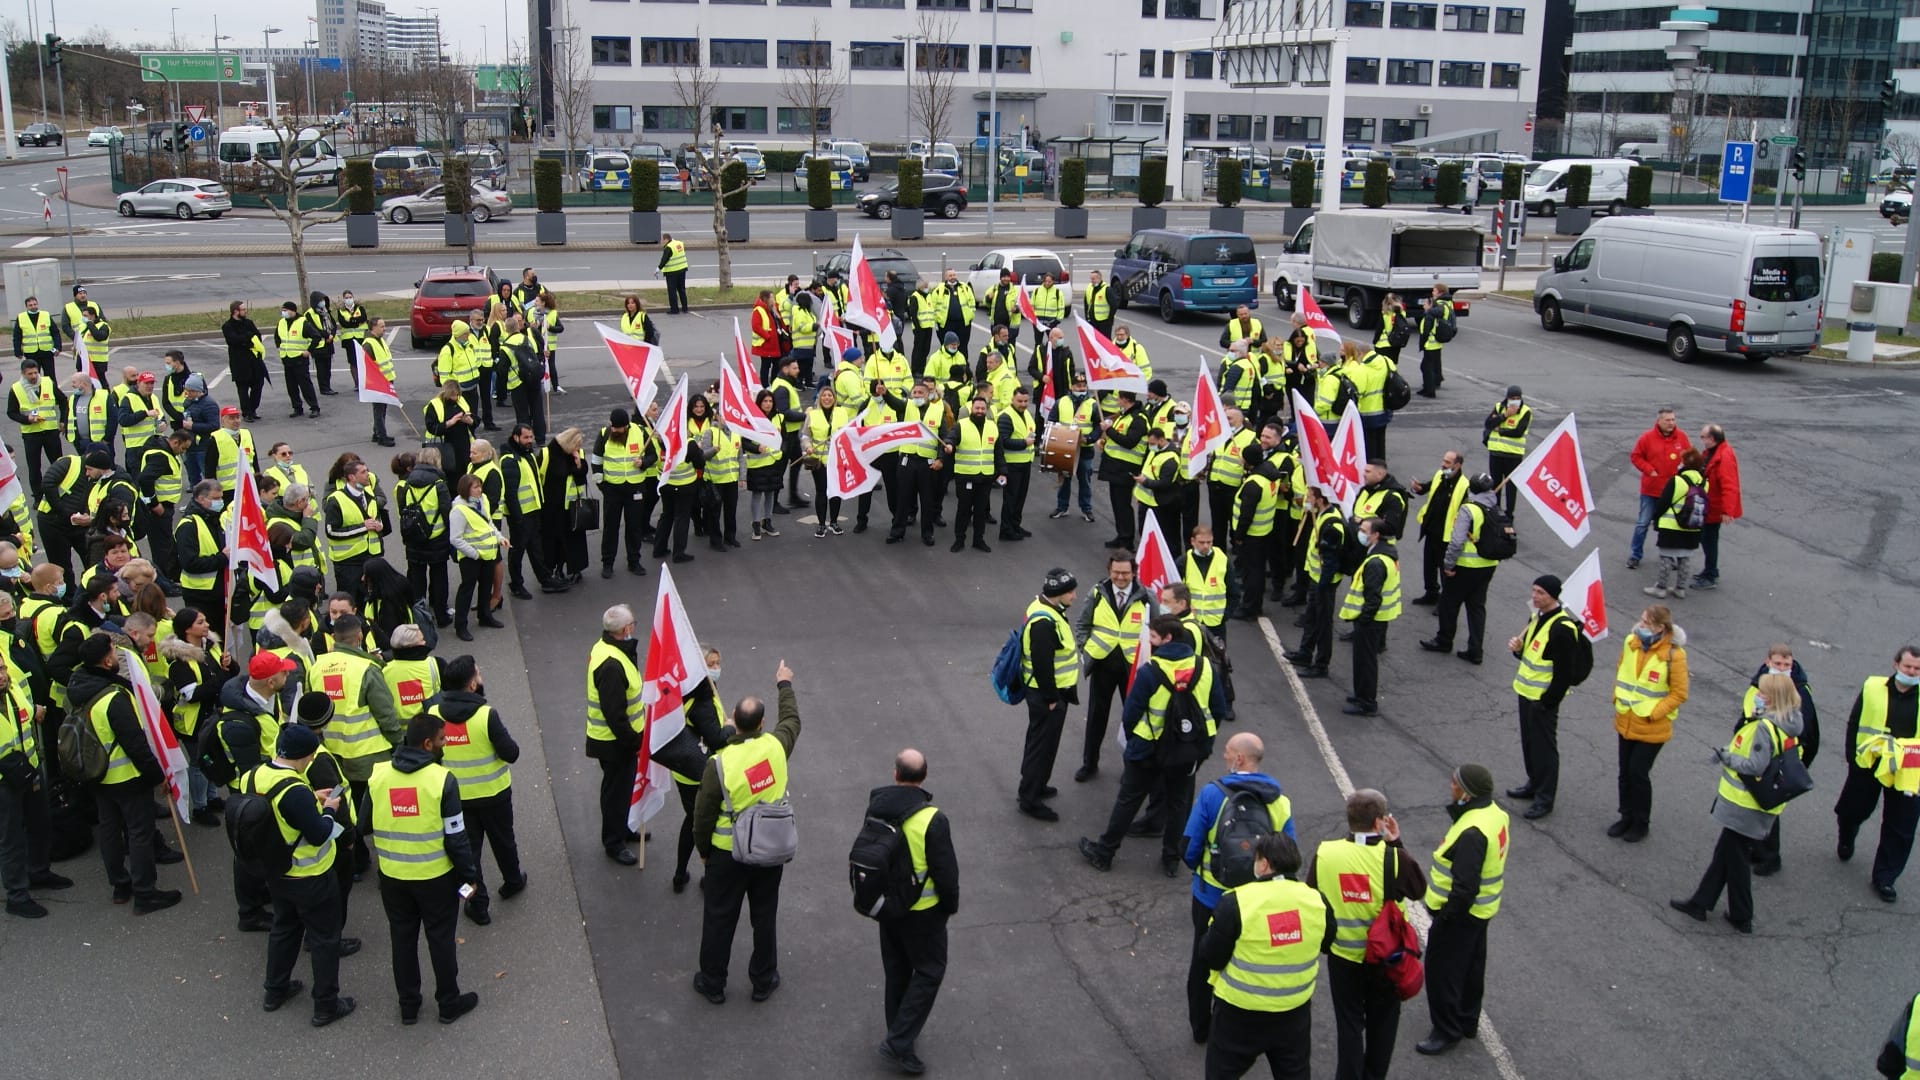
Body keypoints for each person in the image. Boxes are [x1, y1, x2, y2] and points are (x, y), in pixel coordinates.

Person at [1079, 614, 1224, 876]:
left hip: (1148, 749)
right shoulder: (1205, 668)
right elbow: (1218, 709)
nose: (1149, 641)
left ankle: (1105, 852)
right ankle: (1171, 859)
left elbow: (1130, 713)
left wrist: (1136, 741)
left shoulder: (1150, 671)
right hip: (1187, 751)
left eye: (1153, 637)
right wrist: (1201, 744)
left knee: (1128, 800)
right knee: (1179, 803)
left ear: (1167, 639)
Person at [692, 659, 801, 1004]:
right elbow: (792, 722)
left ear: (733, 724)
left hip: (727, 854)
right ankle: (763, 979)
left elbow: (703, 814)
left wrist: (704, 850)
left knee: (719, 919)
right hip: (769, 850)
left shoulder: (719, 764)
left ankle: (713, 982)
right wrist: (784, 684)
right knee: (764, 916)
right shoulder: (776, 747)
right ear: (761, 724)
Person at [365, 712, 483, 1025]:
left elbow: (362, 823)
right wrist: (469, 876)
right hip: (435, 878)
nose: (446, 744)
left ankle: (408, 1005)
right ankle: (448, 1003)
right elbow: (457, 838)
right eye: (443, 739)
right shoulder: (442, 780)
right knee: (440, 940)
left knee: (402, 940)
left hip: (392, 877)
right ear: (428, 744)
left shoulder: (378, 775)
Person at [1181, 733, 1296, 1043]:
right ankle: (1236, 1025)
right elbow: (1290, 854)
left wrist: (1199, 873)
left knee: (1203, 958)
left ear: (1240, 759)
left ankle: (1201, 1027)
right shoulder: (1280, 802)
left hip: (1211, 895)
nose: (1224, 757)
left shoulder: (1211, 794)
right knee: (1246, 958)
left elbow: (1190, 845)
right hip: (1257, 899)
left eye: (1228, 752)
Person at [1671, 673, 1804, 934]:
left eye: (1763, 693)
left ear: (1773, 698)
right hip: (1760, 805)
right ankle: (1701, 902)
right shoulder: (1789, 723)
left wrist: (1728, 758)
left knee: (1736, 857)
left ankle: (1742, 915)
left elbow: (1755, 765)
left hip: (1745, 804)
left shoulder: (1765, 727)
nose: (1758, 695)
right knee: (1726, 852)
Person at [1309, 788, 1428, 1080]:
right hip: (1385, 958)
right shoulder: (1394, 858)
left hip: (1342, 956)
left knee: (1349, 1025)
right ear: (1380, 823)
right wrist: (1396, 842)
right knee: (1383, 1023)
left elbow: (1312, 895)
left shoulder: (1326, 853)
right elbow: (1417, 889)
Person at [242, 723, 356, 1026]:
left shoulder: (252, 776)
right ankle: (326, 1005)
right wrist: (329, 807)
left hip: (276, 871)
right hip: (310, 875)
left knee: (284, 928)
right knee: (324, 940)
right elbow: (319, 834)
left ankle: (275, 990)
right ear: (303, 756)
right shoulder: (295, 790)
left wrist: (310, 799)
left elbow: (280, 814)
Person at [1196, 833, 1330, 1080]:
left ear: (1264, 864)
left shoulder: (1236, 902)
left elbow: (1211, 955)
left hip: (1239, 1014)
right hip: (1294, 1012)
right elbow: (1326, 941)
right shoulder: (1317, 900)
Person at [70, 634, 182, 913]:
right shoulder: (114, 697)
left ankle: (120, 886)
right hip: (126, 777)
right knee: (139, 833)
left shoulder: (79, 688)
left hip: (98, 776)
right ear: (107, 660)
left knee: (109, 830)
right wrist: (158, 777)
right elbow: (136, 745)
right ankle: (145, 893)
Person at [866, 748, 960, 1076]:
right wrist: (949, 907)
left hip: (888, 909)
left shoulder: (876, 808)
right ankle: (900, 1040)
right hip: (923, 914)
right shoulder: (933, 819)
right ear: (923, 779)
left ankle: (899, 1038)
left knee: (897, 972)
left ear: (895, 775)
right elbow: (946, 874)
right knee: (931, 971)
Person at [1416, 763, 1508, 1057]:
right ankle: (1468, 1020)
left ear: (1467, 794)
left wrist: (1446, 917)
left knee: (1443, 972)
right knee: (1471, 967)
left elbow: (1465, 886)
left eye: (1455, 784)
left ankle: (1446, 1030)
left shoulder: (1471, 832)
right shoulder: (1494, 814)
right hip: (1482, 911)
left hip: (1460, 916)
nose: (1450, 786)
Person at [435, 655, 526, 925]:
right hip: (494, 794)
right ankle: (512, 881)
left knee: (468, 854)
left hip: (455, 799)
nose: (480, 675)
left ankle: (478, 904)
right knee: (503, 841)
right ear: (472, 685)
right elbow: (511, 753)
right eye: (478, 673)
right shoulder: (486, 715)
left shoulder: (433, 715)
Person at [1835, 644, 1920, 903]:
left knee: (1901, 827)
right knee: (1851, 810)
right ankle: (1847, 834)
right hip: (1869, 763)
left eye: (1917, 669)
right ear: (1896, 665)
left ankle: (1885, 878)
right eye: (1908, 667)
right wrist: (1853, 759)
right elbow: (1855, 721)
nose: (1912, 672)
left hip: (1907, 770)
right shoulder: (1873, 687)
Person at [1506, 575, 1584, 821]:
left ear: (1553, 596)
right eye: (1533, 591)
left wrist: (1548, 702)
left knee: (1544, 749)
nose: (1535, 596)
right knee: (1529, 744)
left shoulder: (1562, 628)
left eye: (1540, 592)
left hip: (1542, 699)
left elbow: (1564, 673)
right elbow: (1532, 655)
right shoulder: (1536, 617)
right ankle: (1533, 783)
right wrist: (1519, 650)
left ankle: (1544, 798)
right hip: (1526, 692)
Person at [1610, 605, 1689, 842]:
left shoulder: (1674, 655)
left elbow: (1679, 693)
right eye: (1641, 620)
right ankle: (1626, 816)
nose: (1640, 625)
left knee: (1638, 773)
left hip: (1651, 725)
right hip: (1626, 717)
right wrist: (1617, 697)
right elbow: (1622, 669)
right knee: (1625, 773)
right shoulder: (1631, 642)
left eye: (1646, 622)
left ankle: (1640, 822)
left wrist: (1655, 713)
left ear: (1660, 627)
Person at [1073, 553, 1153, 784]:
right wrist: (1086, 649)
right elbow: (1082, 624)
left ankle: (1132, 767)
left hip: (1134, 669)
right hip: (1103, 665)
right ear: (1109, 571)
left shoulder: (1146, 597)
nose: (1120, 577)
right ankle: (1089, 763)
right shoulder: (1097, 593)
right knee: (1097, 716)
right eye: (1116, 572)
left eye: (1125, 573)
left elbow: (1156, 630)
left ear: (1134, 573)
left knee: (1133, 719)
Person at [0, 658, 70, 918]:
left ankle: (39, 872)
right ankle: (17, 895)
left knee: (41, 823)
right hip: (4, 783)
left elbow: (27, 714)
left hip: (28, 768)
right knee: (11, 840)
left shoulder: (13, 688)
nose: (2, 675)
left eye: (2, 668)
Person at [1017, 569, 1081, 821]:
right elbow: (1043, 665)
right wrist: (1051, 698)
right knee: (1041, 747)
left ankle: (1036, 785)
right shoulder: (1044, 623)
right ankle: (1030, 799)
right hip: (1047, 696)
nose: (1074, 596)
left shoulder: (1044, 608)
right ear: (1058, 594)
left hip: (1049, 694)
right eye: (1070, 592)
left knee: (1042, 744)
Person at [1418, 472, 1500, 665]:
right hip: (1487, 565)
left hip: (1465, 566)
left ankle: (1444, 640)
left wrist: (1448, 565)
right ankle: (1475, 650)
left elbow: (1456, 542)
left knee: (1448, 604)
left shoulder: (1469, 509)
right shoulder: (1495, 508)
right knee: (1476, 608)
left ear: (1471, 489)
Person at [586, 605, 646, 866]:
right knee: (616, 792)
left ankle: (623, 828)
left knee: (621, 789)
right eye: (633, 623)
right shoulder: (611, 665)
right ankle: (614, 841)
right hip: (615, 742)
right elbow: (615, 715)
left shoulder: (607, 648)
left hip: (614, 740)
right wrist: (634, 742)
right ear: (626, 629)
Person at [1339, 516, 1401, 716]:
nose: (1361, 533)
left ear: (1376, 535)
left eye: (1365, 531)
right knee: (1363, 660)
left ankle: (1366, 702)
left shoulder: (1376, 562)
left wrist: (1363, 619)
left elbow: (1372, 598)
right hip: (1375, 619)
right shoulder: (1383, 553)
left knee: (1365, 662)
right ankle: (1361, 695)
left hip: (1370, 621)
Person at [1285, 488, 1347, 679]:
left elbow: (1330, 561)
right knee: (1311, 618)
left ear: (1320, 500)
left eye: (1310, 496)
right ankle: (1305, 653)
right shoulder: (1322, 515)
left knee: (1322, 623)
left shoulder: (1331, 524)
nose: (1306, 499)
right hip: (1316, 578)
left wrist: (1323, 584)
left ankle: (1321, 664)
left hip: (1324, 582)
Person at [1626, 407, 1692, 570]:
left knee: (1671, 527)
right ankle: (1635, 555)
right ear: (1659, 421)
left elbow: (1689, 457)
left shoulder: (1681, 437)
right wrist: (1649, 470)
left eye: (1673, 420)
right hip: (1651, 490)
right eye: (1667, 420)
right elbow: (1636, 456)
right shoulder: (1647, 438)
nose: (1671, 423)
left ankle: (1672, 557)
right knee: (1643, 524)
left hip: (1673, 493)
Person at [593, 408, 653, 578]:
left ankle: (634, 562)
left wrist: (643, 462)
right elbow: (596, 462)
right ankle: (608, 563)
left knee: (634, 527)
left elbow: (652, 456)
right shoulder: (604, 434)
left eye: (619, 428)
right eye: (614, 427)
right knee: (610, 528)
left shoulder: (640, 432)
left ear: (626, 426)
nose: (615, 431)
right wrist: (602, 486)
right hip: (612, 490)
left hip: (635, 488)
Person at [398, 447, 453, 627]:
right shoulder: (439, 484)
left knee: (417, 579)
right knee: (439, 577)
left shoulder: (407, 484)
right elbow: (447, 513)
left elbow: (403, 511)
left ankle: (419, 617)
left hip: (414, 538)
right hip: (436, 538)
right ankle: (441, 614)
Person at [449, 475, 505, 642]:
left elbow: (488, 523)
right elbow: (455, 538)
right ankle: (461, 625)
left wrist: (499, 537)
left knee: (486, 585)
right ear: (466, 490)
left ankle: (484, 615)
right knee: (467, 589)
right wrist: (474, 553)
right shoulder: (458, 510)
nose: (479, 490)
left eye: (480, 486)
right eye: (475, 487)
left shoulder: (483, 500)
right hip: (471, 556)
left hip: (487, 553)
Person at [1645, 447, 1706, 599]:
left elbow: (1664, 502)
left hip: (1671, 525)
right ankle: (1680, 588)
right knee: (1685, 557)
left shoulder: (1677, 480)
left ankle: (1661, 587)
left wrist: (1656, 517)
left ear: (1685, 463)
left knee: (1666, 556)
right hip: (1692, 526)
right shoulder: (1704, 482)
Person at [325, 455, 386, 600]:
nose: (368, 475)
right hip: (349, 563)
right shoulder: (335, 500)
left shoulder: (369, 494)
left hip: (371, 557)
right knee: (350, 600)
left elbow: (375, 518)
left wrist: (379, 525)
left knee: (372, 598)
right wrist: (363, 527)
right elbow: (331, 531)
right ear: (352, 477)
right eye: (363, 472)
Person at [1693, 423, 1741, 590]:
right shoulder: (1714, 452)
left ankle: (1711, 574)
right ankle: (1709, 571)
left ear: (1712, 439)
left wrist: (1727, 511)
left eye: (1703, 437)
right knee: (1706, 539)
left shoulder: (1724, 456)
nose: (1701, 440)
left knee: (1709, 540)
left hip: (1714, 508)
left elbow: (1730, 485)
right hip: (1709, 505)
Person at [948, 395, 999, 553]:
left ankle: (979, 540)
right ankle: (959, 540)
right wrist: (949, 445)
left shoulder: (992, 426)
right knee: (963, 510)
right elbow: (951, 438)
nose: (980, 411)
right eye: (977, 408)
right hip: (965, 476)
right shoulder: (961, 425)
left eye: (983, 409)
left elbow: (999, 451)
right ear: (971, 409)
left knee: (980, 510)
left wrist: (1002, 471)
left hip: (985, 477)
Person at [1099, 391, 1149, 549]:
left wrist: (1109, 430)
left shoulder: (1138, 419)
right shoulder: (1124, 415)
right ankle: (1121, 536)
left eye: (1119, 398)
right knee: (1117, 504)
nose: (1116, 401)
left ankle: (1127, 540)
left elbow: (1130, 442)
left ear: (1126, 400)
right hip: (1115, 466)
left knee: (1123, 505)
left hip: (1126, 467)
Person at [801, 386, 850, 539]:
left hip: (837, 461)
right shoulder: (812, 415)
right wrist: (808, 447)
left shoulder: (842, 413)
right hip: (819, 461)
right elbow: (805, 436)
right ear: (819, 398)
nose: (827, 398)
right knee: (821, 491)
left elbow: (848, 434)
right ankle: (822, 524)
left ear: (834, 399)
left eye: (830, 395)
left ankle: (834, 522)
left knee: (835, 492)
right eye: (824, 395)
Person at [9, 358, 63, 495]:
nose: (33, 376)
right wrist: (27, 419)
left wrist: (63, 421)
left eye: (35, 372)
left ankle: (61, 492)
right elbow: (11, 412)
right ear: (23, 374)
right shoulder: (16, 388)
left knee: (58, 464)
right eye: (30, 374)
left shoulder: (47, 382)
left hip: (50, 431)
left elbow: (63, 401)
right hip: (31, 434)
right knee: (34, 468)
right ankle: (38, 497)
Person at [1481, 386, 1530, 517]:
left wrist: (1501, 431)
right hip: (1496, 453)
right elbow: (1489, 424)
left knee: (1511, 487)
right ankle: (1495, 510)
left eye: (1518, 399)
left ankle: (1509, 513)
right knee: (1495, 484)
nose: (1515, 401)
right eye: (1512, 398)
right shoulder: (1499, 407)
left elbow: (1518, 432)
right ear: (1507, 398)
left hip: (1514, 455)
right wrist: (1504, 416)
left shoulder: (1525, 411)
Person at [220, 300, 268, 423]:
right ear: (235, 311)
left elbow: (257, 336)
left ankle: (253, 409)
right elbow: (234, 340)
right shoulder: (227, 326)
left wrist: (247, 339)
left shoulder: (248, 323)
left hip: (254, 361)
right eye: (243, 309)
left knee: (258, 385)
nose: (245, 311)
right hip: (239, 363)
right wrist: (248, 337)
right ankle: (247, 413)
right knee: (243, 389)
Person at [274, 300, 323, 419]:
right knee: (291, 386)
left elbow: (316, 336)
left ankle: (314, 407)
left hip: (299, 358)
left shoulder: (302, 323)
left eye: (286, 310)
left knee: (305, 385)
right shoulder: (281, 322)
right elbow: (277, 337)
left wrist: (309, 350)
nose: (283, 312)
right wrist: (279, 347)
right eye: (283, 310)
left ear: (293, 311)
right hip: (287, 358)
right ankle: (297, 407)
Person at [362, 316, 400, 447]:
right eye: (382, 326)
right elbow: (368, 366)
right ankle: (381, 436)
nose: (384, 329)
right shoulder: (369, 344)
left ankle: (377, 432)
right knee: (379, 410)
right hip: (378, 383)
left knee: (382, 409)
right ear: (373, 327)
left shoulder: (379, 340)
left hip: (387, 379)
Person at [1414, 284, 1453, 398]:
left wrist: (1428, 310)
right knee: (1429, 366)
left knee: (1426, 367)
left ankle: (1429, 390)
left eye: (1434, 290)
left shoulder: (1440, 305)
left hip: (1431, 342)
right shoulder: (1445, 303)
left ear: (1440, 292)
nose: (1432, 292)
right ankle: (1429, 386)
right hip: (1435, 342)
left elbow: (1433, 317)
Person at [11, 297, 62, 385]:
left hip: (47, 352)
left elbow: (55, 333)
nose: (33, 306)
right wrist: (18, 351)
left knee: (50, 376)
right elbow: (17, 336)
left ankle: (54, 395)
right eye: (30, 305)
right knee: (32, 377)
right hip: (31, 353)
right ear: (26, 307)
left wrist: (57, 347)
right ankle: (35, 395)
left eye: (35, 304)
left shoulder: (45, 315)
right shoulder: (21, 317)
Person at [931, 269, 976, 356]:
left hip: (963, 324)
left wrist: (970, 316)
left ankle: (963, 366)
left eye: (954, 275)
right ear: (946, 277)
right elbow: (933, 306)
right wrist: (938, 320)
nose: (953, 277)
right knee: (946, 347)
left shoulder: (965, 287)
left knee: (963, 346)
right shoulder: (938, 290)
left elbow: (972, 303)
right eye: (950, 275)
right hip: (946, 324)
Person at [658, 232, 690, 313]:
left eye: (662, 240)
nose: (661, 241)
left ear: (666, 239)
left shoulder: (669, 247)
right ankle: (685, 308)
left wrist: (658, 269)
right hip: (682, 270)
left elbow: (664, 260)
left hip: (672, 272)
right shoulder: (679, 243)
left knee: (672, 291)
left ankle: (674, 309)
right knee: (682, 289)